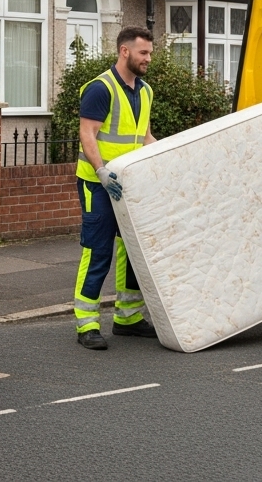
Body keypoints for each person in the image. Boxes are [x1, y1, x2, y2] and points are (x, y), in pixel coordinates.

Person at [72, 26, 158, 350]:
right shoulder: (100, 88)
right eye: (143, 53)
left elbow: (144, 137)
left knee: (132, 250)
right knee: (99, 250)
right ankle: (87, 323)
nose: (148, 58)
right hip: (98, 184)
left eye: (149, 52)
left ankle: (128, 317)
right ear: (125, 52)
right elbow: (88, 134)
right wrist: (101, 171)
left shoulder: (145, 91)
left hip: (129, 184)